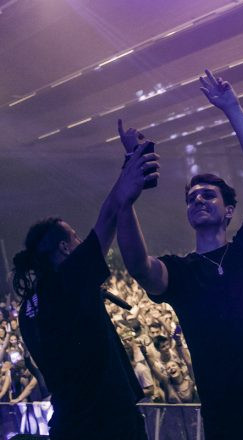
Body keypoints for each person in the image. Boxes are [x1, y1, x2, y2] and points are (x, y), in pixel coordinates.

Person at [116, 69, 243, 440]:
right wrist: (126, 199)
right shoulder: (181, 272)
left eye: (208, 195)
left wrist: (232, 108)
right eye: (192, 198)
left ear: (229, 210)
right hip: (226, 419)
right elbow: (139, 266)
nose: (198, 200)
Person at [11, 143, 158, 439]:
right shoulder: (67, 282)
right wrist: (129, 165)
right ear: (64, 248)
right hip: (106, 422)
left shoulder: (30, 306)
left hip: (71, 421)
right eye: (76, 237)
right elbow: (108, 217)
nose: (82, 242)